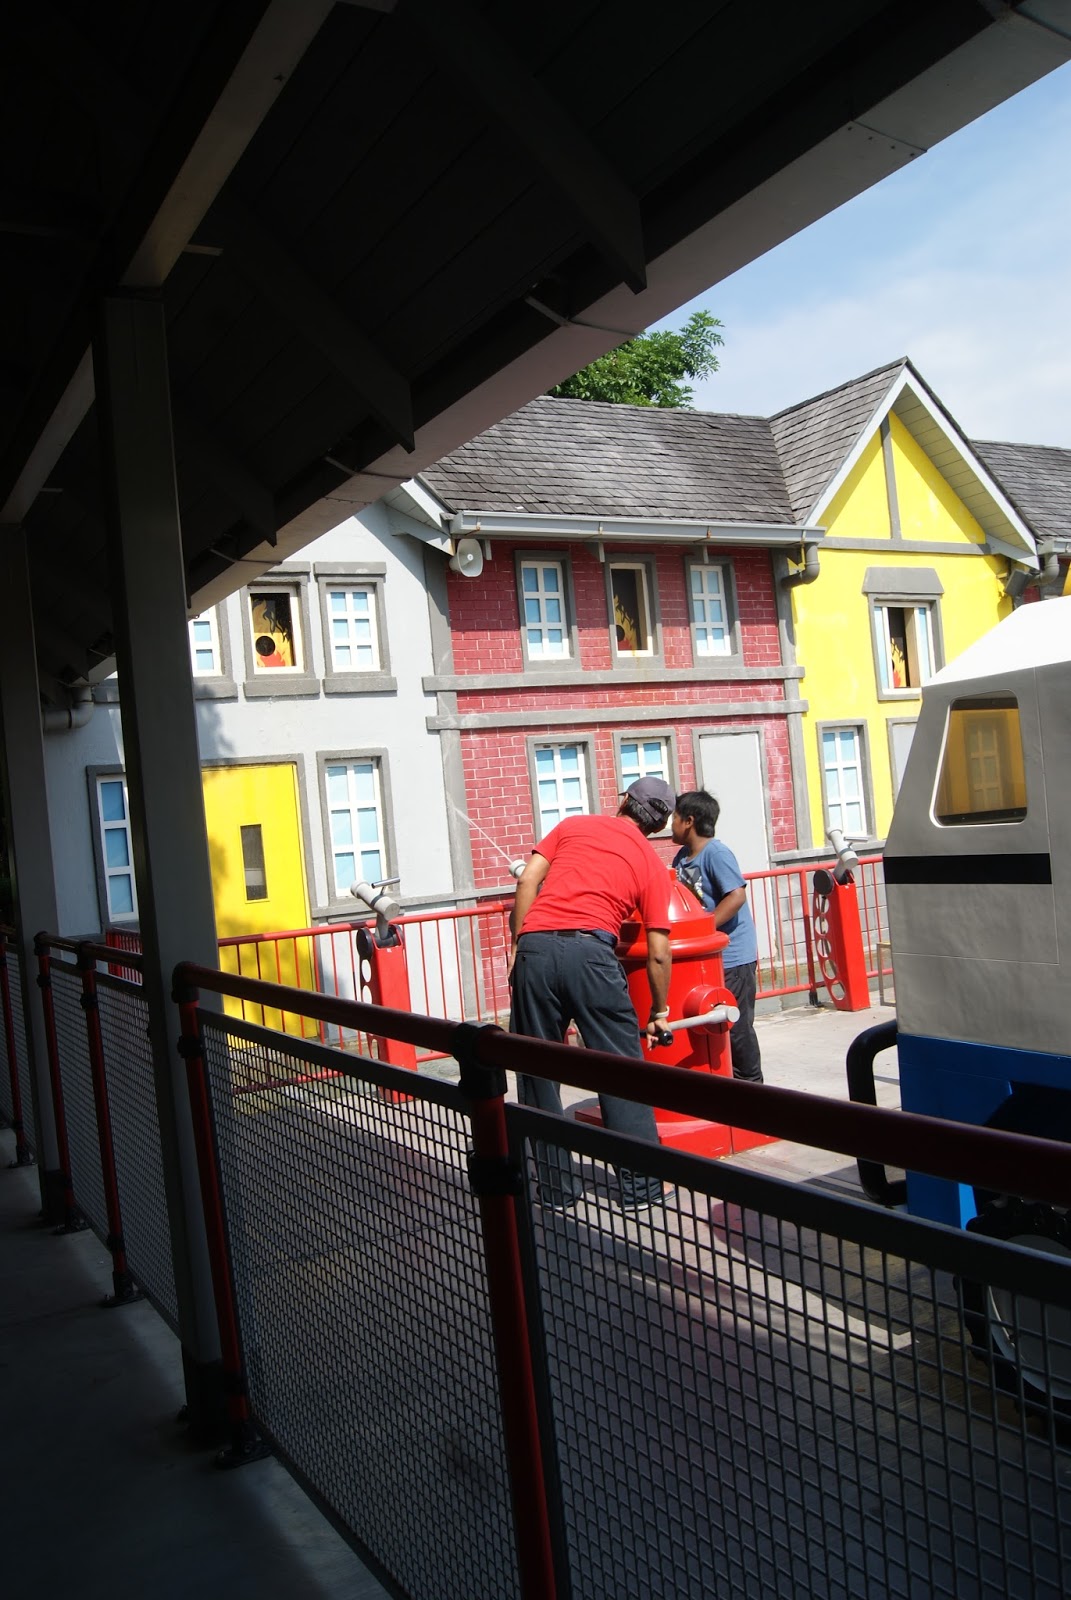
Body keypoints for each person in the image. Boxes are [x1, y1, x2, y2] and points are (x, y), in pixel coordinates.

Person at [508, 776, 675, 1208]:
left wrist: (520, 946)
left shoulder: (573, 825)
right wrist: (659, 1011)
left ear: (622, 801)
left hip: (536, 951)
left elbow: (527, 882)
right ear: (658, 826)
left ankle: (556, 1190)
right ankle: (641, 1188)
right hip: (594, 956)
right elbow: (659, 952)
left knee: (536, 1069)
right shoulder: (651, 863)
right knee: (619, 1069)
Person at [671, 789, 763, 1083]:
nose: (671, 824)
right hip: (707, 959)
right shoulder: (681, 858)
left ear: (689, 821)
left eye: (674, 817)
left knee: (736, 1027)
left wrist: (705, 929)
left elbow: (736, 896)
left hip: (733, 958)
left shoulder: (716, 854)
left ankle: (752, 1087)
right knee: (709, 1026)